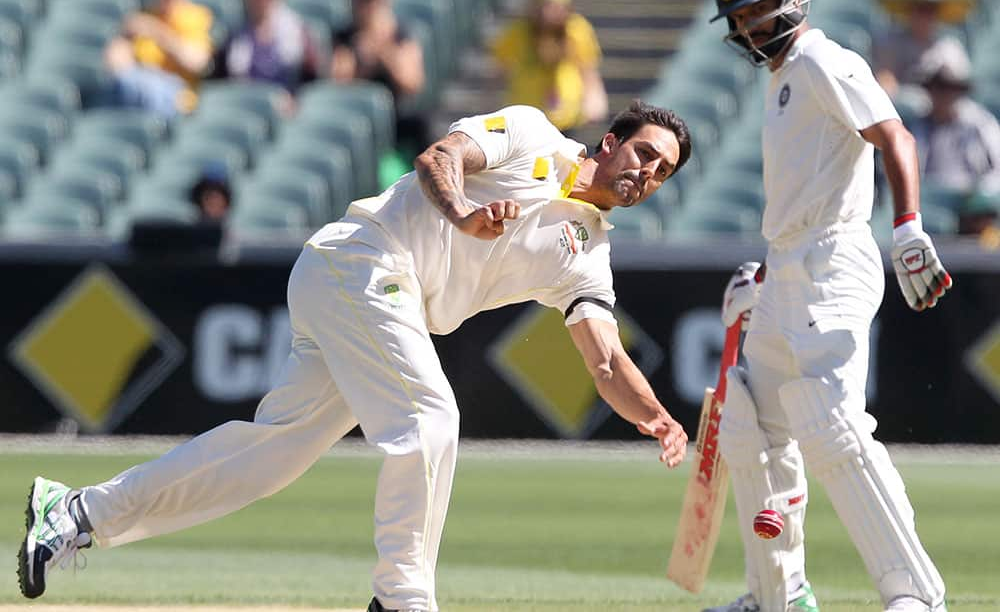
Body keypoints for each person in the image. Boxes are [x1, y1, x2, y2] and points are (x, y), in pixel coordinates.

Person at [17, 101, 692, 612]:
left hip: (374, 301)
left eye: (663, 170)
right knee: (430, 419)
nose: (648, 172)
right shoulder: (533, 136)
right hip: (362, 261)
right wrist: (461, 214)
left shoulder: (591, 253)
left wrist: (657, 415)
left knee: (269, 457)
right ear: (611, 141)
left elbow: (605, 362)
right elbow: (437, 158)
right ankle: (402, 598)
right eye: (643, 152)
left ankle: (77, 513)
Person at [706, 0, 952, 612]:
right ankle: (777, 596)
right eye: (741, 18)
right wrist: (767, 277)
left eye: (758, 10)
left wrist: (908, 228)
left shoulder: (823, 59)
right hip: (790, 265)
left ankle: (915, 595)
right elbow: (799, 199)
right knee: (748, 420)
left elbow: (896, 136)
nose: (752, 27)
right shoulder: (782, 79)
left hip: (835, 261)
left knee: (830, 424)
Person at [492, 0, 608, 133]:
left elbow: (587, 67)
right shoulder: (518, 32)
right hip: (526, 117)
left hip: (566, 118)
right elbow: (500, 68)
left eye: (556, 7)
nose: (549, 14)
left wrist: (595, 97)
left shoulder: (576, 30)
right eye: (545, 6)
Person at [330, 0, 428, 155]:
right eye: (363, 0)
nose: (369, 8)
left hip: (395, 114)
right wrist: (361, 58)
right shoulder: (344, 37)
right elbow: (338, 83)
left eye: (374, 0)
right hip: (358, 116)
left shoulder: (400, 35)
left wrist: (383, 52)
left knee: (422, 124)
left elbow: (412, 84)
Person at [103, 0, 214, 117]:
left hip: (178, 98)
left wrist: (156, 33)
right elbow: (116, 65)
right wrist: (123, 42)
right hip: (138, 90)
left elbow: (197, 62)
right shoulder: (144, 16)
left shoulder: (197, 17)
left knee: (144, 87)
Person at [908, 39, 1000, 191]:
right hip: (926, 203)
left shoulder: (981, 126)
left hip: (970, 208)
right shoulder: (917, 127)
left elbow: (996, 174)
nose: (944, 94)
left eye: (950, 87)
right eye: (938, 86)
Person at [871, 0, 975, 106]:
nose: (925, 16)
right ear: (909, 11)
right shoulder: (890, 43)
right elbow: (885, 80)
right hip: (901, 113)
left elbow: (958, 92)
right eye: (920, 9)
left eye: (930, 10)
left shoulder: (950, 48)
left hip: (942, 117)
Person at [210, 0, 319, 95]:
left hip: (285, 104)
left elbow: (311, 82)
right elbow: (220, 80)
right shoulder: (234, 32)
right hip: (244, 101)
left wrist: (295, 100)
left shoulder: (298, 31)